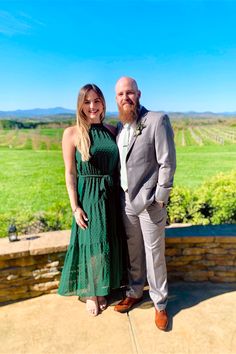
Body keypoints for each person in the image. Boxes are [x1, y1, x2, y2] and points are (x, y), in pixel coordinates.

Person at [114, 77, 176, 330]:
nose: (125, 97)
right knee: (134, 250)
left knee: (154, 255)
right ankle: (135, 291)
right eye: (120, 94)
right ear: (116, 99)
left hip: (151, 202)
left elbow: (167, 162)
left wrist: (161, 198)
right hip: (126, 200)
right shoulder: (120, 126)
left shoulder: (156, 120)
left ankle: (160, 304)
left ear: (138, 94)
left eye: (129, 92)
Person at [58, 84, 122, 316]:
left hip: (111, 194)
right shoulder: (72, 133)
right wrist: (75, 207)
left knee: (107, 241)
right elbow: (70, 173)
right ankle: (91, 293)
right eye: (87, 102)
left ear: (103, 103)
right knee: (91, 243)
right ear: (80, 105)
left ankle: (102, 286)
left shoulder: (112, 130)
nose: (92, 106)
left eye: (96, 101)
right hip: (88, 195)